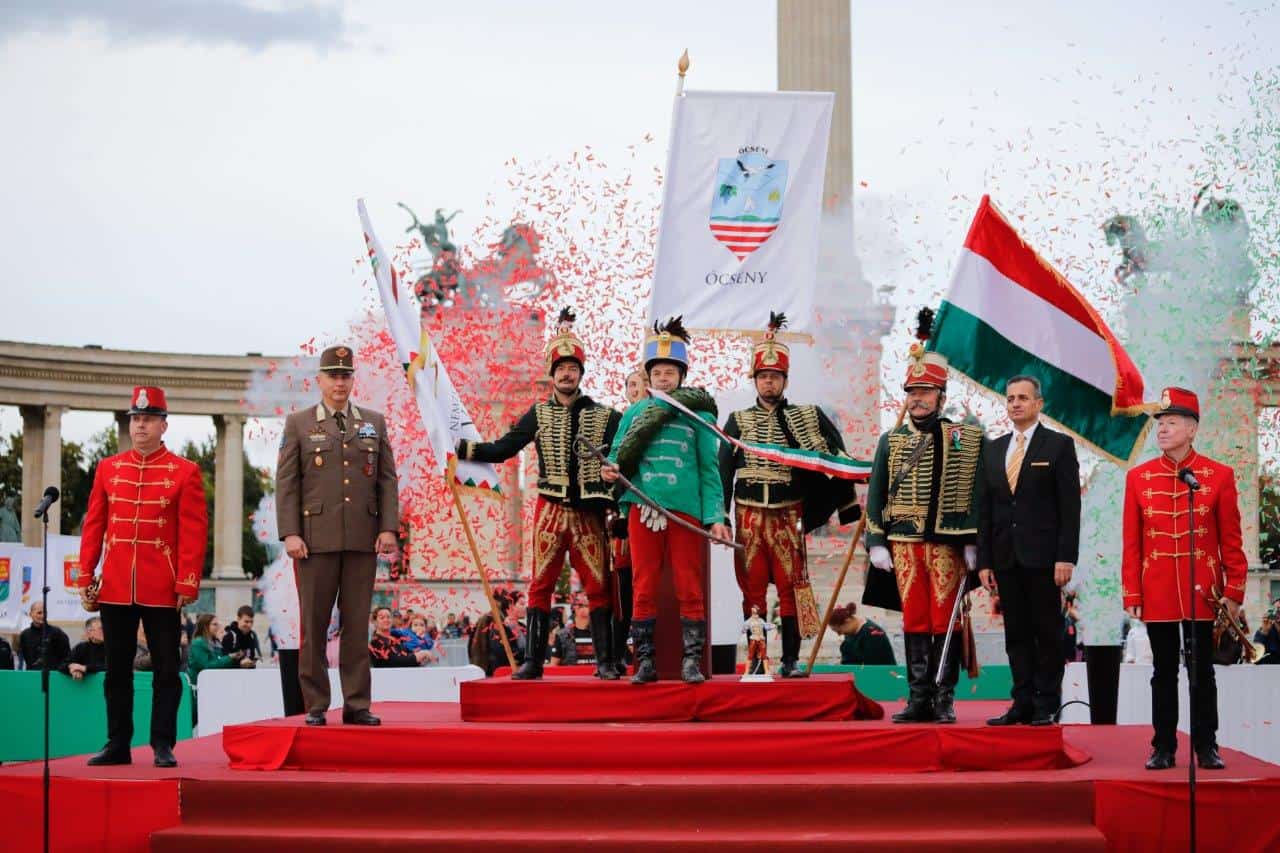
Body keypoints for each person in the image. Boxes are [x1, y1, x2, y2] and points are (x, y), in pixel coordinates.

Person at [458, 308, 622, 680]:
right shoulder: (539, 413)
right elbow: (504, 448)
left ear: (581, 373)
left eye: (573, 368)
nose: (566, 374)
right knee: (540, 585)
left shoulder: (606, 416)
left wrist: (615, 497)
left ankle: (606, 661)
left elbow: (620, 461)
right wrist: (463, 449)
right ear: (551, 373)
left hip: (589, 513)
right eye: (561, 368)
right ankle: (533, 662)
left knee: (599, 586)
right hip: (549, 510)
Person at [719, 312, 861, 677]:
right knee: (752, 592)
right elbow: (723, 471)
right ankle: (756, 661)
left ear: (784, 380)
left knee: (791, 588)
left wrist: (847, 501)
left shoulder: (807, 416)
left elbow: (836, 455)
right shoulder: (737, 420)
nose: (769, 382)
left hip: (788, 514)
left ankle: (790, 660)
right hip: (749, 516)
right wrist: (720, 516)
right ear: (755, 380)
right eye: (763, 376)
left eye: (775, 376)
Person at [76, 386, 207, 768]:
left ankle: (162, 743)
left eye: (148, 419)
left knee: (166, 670)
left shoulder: (185, 471)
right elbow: (94, 525)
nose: (140, 426)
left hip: (162, 586)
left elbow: (194, 531)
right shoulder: (108, 468)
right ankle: (117, 743)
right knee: (116, 671)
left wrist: (187, 581)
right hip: (116, 584)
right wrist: (85, 575)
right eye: (136, 419)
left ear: (164, 425)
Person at [1122, 387, 1247, 771]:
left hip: (1204, 591)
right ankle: (1163, 747)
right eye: (1160, 423)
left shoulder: (1219, 476)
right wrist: (1132, 592)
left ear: (1192, 429)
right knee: (1162, 673)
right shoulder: (1138, 478)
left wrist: (1234, 590)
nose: (1162, 429)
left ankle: (1207, 746)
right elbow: (1132, 543)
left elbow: (1231, 540)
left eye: (1172, 422)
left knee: (1202, 673)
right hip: (1157, 588)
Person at [276, 345, 400, 727]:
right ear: (320, 380)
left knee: (356, 626)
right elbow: (287, 483)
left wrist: (388, 527)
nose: (339, 383)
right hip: (314, 542)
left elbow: (387, 480)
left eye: (345, 375)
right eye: (333, 375)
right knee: (314, 627)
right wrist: (290, 533)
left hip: (362, 539)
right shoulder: (299, 423)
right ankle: (315, 704)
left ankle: (357, 704)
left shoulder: (373, 423)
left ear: (353, 379)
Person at [602, 317, 730, 684]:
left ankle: (691, 662)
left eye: (669, 372)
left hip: (685, 511)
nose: (662, 378)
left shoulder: (699, 415)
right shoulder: (633, 413)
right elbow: (617, 457)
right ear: (648, 376)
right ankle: (645, 661)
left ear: (681, 375)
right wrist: (609, 471)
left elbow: (709, 468)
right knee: (643, 585)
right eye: (656, 372)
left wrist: (715, 516)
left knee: (689, 584)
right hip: (644, 509)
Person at [865, 345, 983, 724]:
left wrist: (972, 539)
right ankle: (919, 698)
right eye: (912, 392)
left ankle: (944, 698)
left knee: (945, 620)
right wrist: (876, 541)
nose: (917, 398)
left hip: (946, 544)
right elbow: (876, 494)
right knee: (914, 620)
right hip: (903, 543)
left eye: (925, 392)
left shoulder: (963, 438)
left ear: (940, 397)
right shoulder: (891, 440)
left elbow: (975, 489)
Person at [976, 374, 1081, 727]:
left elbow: (1070, 508)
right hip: (1005, 558)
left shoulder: (1058, 446)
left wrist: (1065, 556)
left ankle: (1046, 703)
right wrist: (985, 561)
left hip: (1045, 559)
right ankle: (1021, 702)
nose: (1016, 404)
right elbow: (985, 509)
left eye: (1023, 398)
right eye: (1010, 398)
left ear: (1038, 403)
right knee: (1016, 634)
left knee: (1047, 633)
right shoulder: (993, 450)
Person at [607, 365, 650, 673]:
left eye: (640, 384)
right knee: (624, 591)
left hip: (656, 510)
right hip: (626, 517)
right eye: (631, 385)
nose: (635, 390)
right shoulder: (621, 422)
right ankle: (617, 651)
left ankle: (650, 650)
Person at [188, 614, 254, 688]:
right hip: (199, 685)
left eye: (218, 624)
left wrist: (239, 663)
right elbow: (207, 666)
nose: (218, 627)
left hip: (213, 683)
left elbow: (219, 663)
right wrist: (229, 657)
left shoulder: (215, 642)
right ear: (205, 626)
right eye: (215, 624)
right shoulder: (198, 643)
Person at [830, 602, 896, 665]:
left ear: (847, 621)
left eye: (839, 631)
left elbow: (874, 665)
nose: (839, 634)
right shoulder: (851, 633)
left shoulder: (872, 634)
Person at [18, 601, 70, 671]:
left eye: (45, 612)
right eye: (39, 613)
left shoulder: (57, 633)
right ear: (31, 614)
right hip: (32, 675)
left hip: (52, 675)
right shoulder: (24, 635)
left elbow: (67, 657)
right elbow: (24, 658)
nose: (42, 616)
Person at [549, 598, 597, 666]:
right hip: (572, 672)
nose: (584, 609)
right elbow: (553, 664)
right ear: (573, 609)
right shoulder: (563, 635)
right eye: (580, 606)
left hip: (594, 672)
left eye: (587, 606)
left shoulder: (600, 633)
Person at [742, 605, 772, 675]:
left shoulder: (761, 620)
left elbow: (766, 627)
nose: (755, 614)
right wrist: (744, 629)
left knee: (764, 655)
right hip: (753, 639)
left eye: (756, 612)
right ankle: (746, 671)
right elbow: (744, 629)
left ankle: (766, 671)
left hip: (761, 639)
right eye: (753, 612)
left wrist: (771, 626)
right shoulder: (749, 621)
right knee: (750, 655)